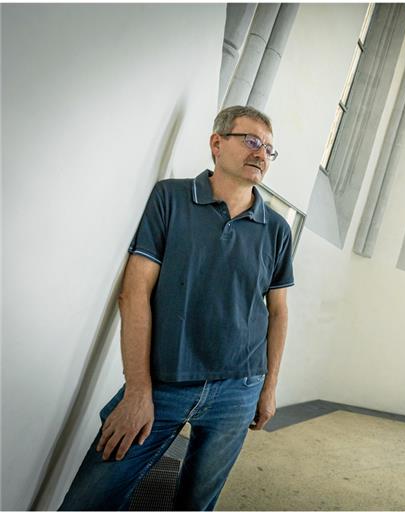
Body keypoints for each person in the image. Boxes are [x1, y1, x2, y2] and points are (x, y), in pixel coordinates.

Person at [59, 105, 294, 511]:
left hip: (239, 388)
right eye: (252, 141)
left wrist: (268, 387)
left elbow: (277, 311)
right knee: (90, 499)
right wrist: (137, 390)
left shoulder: (277, 230)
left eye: (269, 149)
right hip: (164, 381)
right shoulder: (170, 197)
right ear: (217, 143)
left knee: (196, 505)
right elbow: (134, 292)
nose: (261, 154)